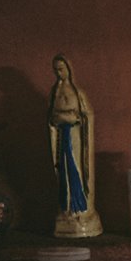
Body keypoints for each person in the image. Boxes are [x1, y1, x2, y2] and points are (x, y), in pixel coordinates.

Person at [48, 53, 101, 238]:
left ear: (69, 69)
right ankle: (67, 209)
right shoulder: (55, 92)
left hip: (76, 137)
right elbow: (51, 116)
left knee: (76, 170)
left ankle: (81, 209)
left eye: (61, 69)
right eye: (55, 70)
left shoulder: (78, 93)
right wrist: (58, 119)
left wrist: (74, 118)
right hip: (62, 136)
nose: (58, 73)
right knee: (63, 172)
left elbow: (87, 115)